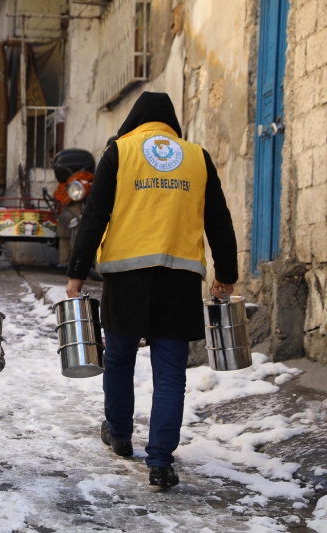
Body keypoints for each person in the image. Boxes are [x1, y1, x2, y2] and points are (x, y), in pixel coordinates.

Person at [65, 92, 238, 488]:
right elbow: (219, 219)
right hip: (180, 279)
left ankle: (120, 435)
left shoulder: (120, 152)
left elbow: (95, 216)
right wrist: (226, 273)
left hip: (126, 277)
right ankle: (160, 462)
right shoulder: (197, 157)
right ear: (171, 123)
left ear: (135, 120)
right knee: (170, 374)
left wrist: (77, 272)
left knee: (119, 361)